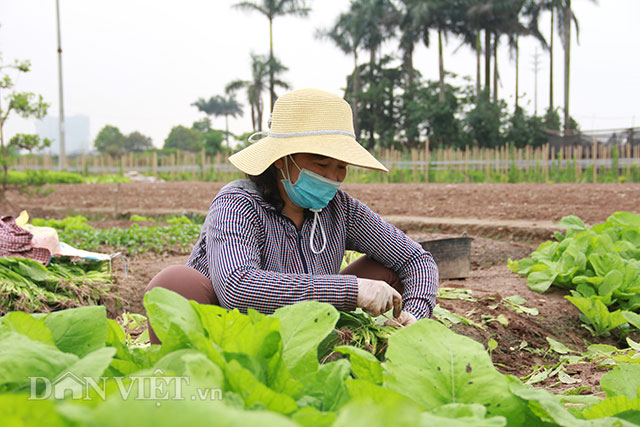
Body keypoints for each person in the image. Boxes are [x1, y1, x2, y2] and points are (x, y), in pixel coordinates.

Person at [144, 88, 438, 344]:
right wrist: (352, 290)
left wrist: (415, 313)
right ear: (282, 160)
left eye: (341, 167)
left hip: (305, 334)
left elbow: (416, 259)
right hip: (234, 335)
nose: (333, 177)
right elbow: (238, 287)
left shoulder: (340, 208)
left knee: (388, 268)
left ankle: (349, 355)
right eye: (321, 164)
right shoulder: (238, 203)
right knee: (175, 283)